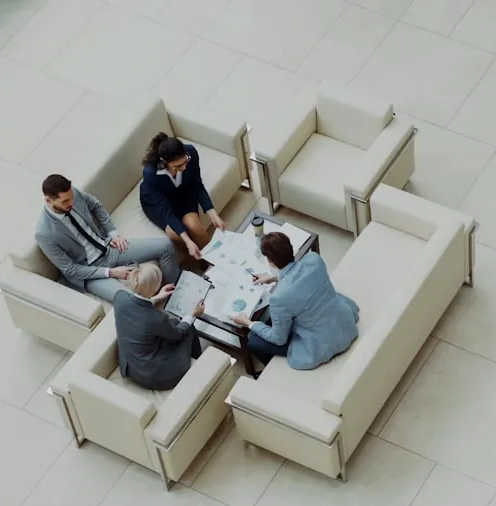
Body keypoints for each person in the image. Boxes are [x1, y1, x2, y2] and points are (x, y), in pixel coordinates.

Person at [36, 174, 180, 302]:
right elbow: (70, 269)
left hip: (108, 248)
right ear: (49, 201)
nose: (71, 203)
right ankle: (156, 303)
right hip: (89, 272)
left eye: (71, 198)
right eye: (65, 201)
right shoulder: (44, 233)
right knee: (129, 299)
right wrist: (110, 272)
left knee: (165, 246)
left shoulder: (72, 194)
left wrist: (112, 233)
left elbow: (96, 206)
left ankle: (174, 293)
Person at [231, 232, 360, 369]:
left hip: (322, 344)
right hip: (344, 323)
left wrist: (248, 323)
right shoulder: (314, 259)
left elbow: (278, 339)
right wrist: (273, 278)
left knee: (254, 342)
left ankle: (274, 368)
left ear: (269, 261)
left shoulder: (279, 298)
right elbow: (301, 276)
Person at [112, 262, 205, 390]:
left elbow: (139, 305)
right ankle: (202, 367)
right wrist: (192, 314)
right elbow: (178, 335)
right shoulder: (155, 318)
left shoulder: (120, 297)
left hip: (131, 367)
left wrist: (157, 297)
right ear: (154, 287)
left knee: (174, 323)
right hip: (155, 376)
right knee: (188, 328)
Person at [140, 132, 226, 261]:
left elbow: (197, 184)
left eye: (186, 161)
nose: (184, 167)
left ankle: (216, 259)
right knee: (175, 235)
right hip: (158, 202)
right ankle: (201, 259)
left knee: (194, 226)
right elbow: (165, 211)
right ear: (164, 161)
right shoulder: (150, 174)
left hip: (183, 192)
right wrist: (188, 241)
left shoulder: (191, 152)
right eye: (178, 166)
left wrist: (213, 214)